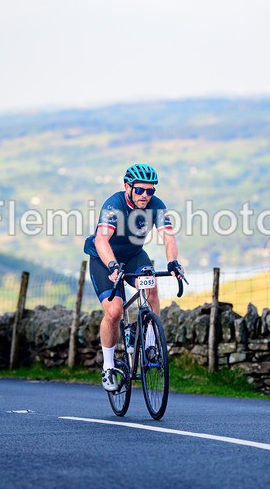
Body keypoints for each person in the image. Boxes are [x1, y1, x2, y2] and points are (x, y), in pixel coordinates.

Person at [84, 163, 185, 392]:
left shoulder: (156, 206)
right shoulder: (114, 205)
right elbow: (101, 240)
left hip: (134, 256)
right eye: (139, 190)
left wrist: (172, 262)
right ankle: (108, 366)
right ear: (127, 187)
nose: (145, 195)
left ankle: (149, 345)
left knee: (151, 287)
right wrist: (112, 265)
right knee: (114, 311)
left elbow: (168, 237)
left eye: (150, 191)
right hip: (104, 258)